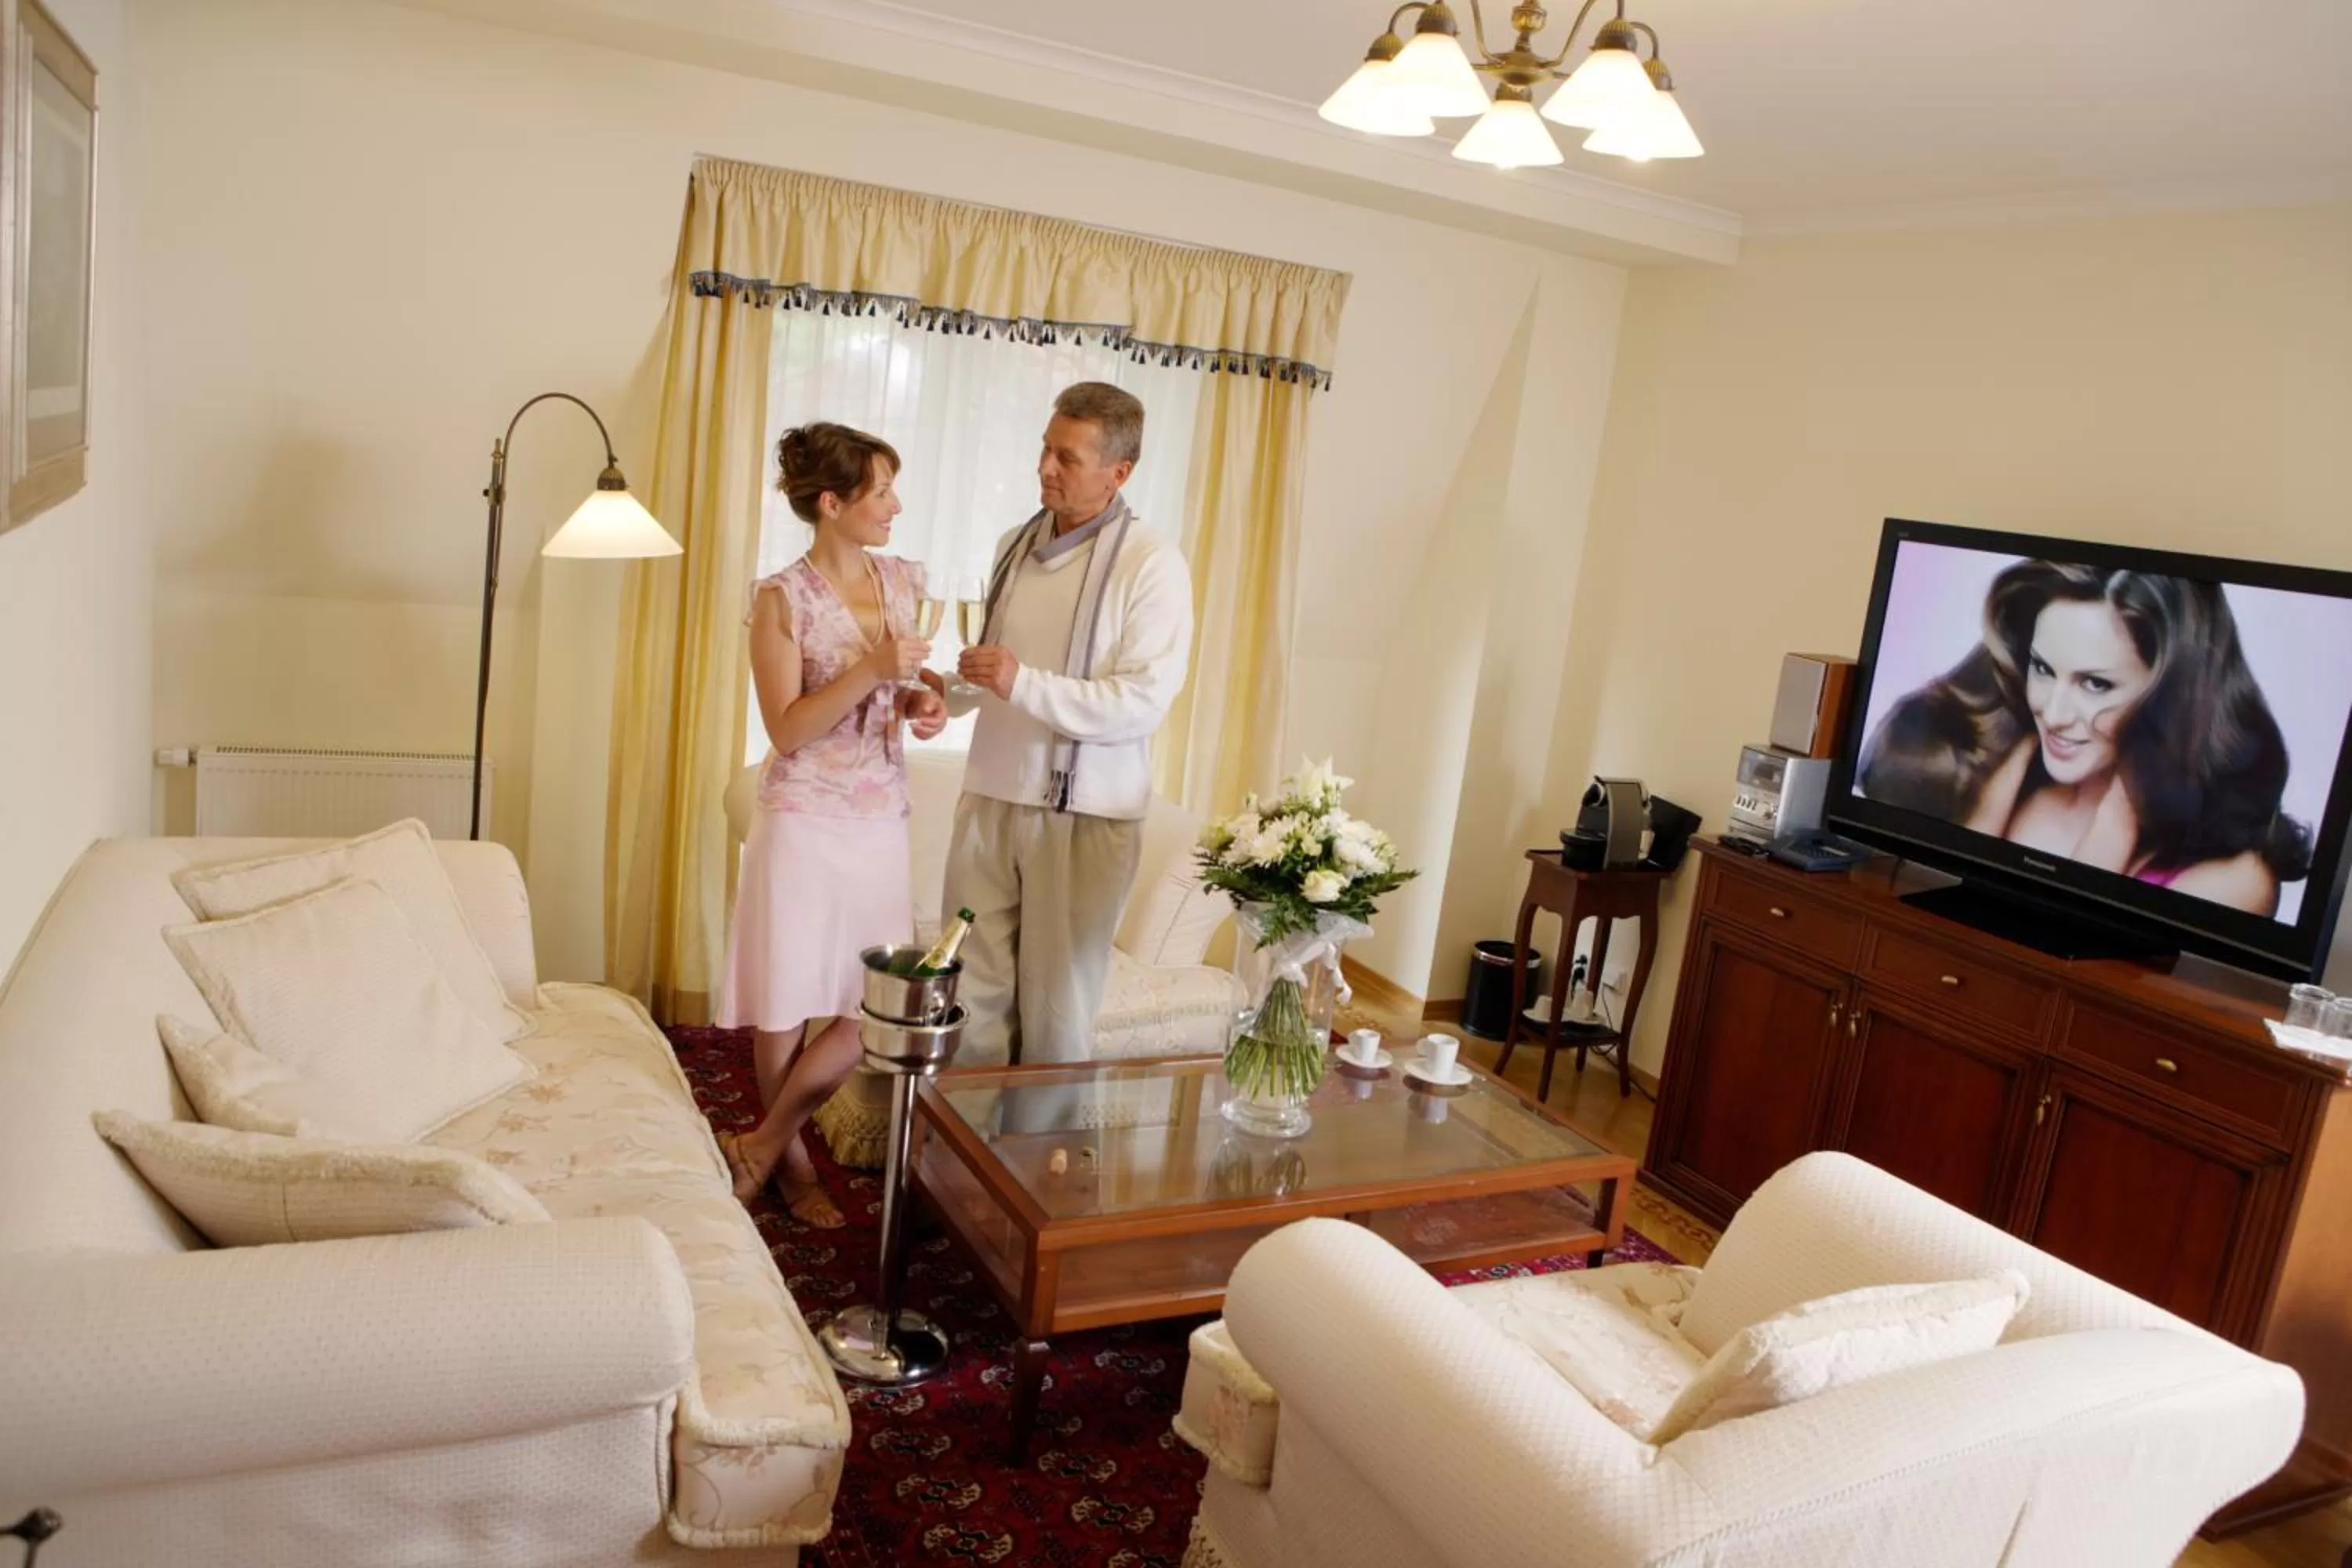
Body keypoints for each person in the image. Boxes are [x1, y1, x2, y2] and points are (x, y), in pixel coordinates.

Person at [715, 422, 947, 1225]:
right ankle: (793, 1170)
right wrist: (873, 669)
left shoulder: (904, 580)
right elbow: (787, 729)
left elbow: (911, 682)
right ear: (832, 503)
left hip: (879, 822)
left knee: (874, 1004)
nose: (895, 505)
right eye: (881, 491)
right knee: (785, 1005)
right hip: (802, 822)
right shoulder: (780, 599)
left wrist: (925, 700)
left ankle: (759, 1142)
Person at [924, 382, 1194, 1066]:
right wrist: (947, 696)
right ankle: (965, 1136)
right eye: (1045, 449)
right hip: (991, 796)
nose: (1044, 467)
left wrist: (1019, 681)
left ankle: (1044, 1141)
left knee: (1057, 1015)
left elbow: (1141, 703)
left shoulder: (1152, 564)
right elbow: (999, 672)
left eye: (1067, 458)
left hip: (1087, 815)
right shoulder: (1014, 544)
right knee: (968, 996)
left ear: (1119, 472)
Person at [1857, 558, 2312, 915]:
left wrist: (2115, 829)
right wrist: (2001, 779)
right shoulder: (2008, 772)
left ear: (2172, 697)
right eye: (2043, 668)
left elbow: (2056, 979)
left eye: (2095, 684)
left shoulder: (2234, 881)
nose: (2053, 714)